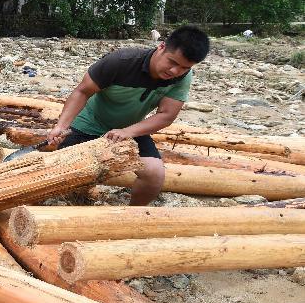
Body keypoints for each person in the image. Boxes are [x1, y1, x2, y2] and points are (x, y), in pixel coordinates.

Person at [46, 25, 211, 206]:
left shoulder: (183, 77)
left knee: (154, 175)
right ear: (161, 46)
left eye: (184, 67)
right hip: (88, 123)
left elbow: (166, 115)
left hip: (129, 128)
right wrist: (61, 126)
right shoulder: (121, 62)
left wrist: (128, 132)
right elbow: (82, 92)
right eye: (172, 62)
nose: (174, 71)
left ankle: (131, 215)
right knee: (64, 174)